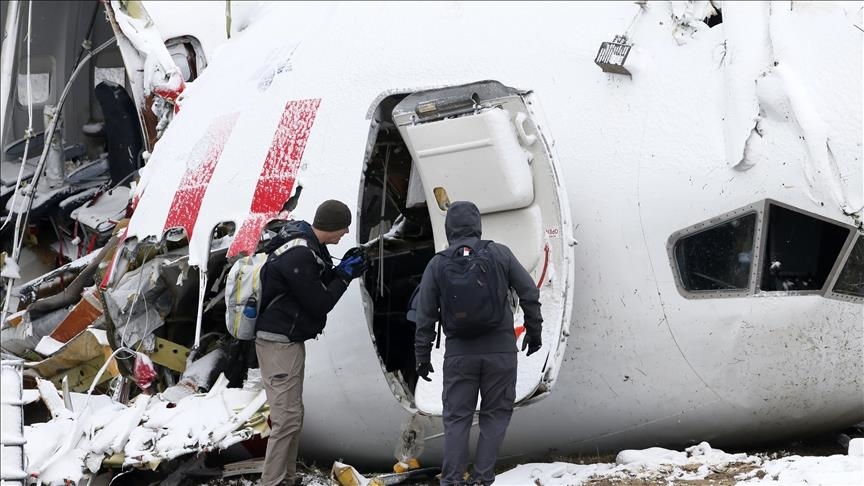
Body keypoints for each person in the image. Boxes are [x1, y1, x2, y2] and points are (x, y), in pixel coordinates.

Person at [413, 201, 543, 486]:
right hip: (500, 351)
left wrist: (422, 357)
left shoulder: (437, 264)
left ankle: (452, 480)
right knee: (495, 415)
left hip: (459, 354)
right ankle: (482, 478)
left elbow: (424, 315)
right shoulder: (499, 253)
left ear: (449, 229)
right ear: (477, 225)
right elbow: (530, 293)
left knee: (457, 418)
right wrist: (535, 331)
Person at [254, 199, 366, 486]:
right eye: (343, 229)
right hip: (278, 344)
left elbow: (313, 284)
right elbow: (319, 302)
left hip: (287, 341)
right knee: (286, 419)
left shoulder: (307, 243)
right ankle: (274, 482)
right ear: (332, 226)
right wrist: (345, 275)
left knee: (293, 416)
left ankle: (286, 479)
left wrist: (342, 268)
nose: (344, 234)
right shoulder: (300, 254)